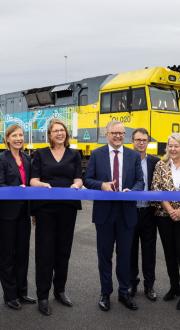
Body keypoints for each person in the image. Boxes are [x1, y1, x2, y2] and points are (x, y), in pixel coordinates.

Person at [84, 120, 144, 312]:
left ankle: (124, 292)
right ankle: (105, 293)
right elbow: (87, 179)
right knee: (105, 256)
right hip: (104, 214)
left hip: (127, 212)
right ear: (106, 133)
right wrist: (102, 185)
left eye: (121, 133)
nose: (118, 136)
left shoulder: (133, 156)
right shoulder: (96, 154)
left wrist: (131, 190)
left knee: (125, 255)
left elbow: (140, 182)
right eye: (114, 133)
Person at [30, 118, 83, 316]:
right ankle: (42, 296)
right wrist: (43, 185)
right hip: (46, 209)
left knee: (63, 251)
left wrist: (76, 185)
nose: (59, 133)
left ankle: (59, 290)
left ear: (66, 133)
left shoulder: (74, 155)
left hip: (67, 209)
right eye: (55, 131)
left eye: (62, 130)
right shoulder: (40, 154)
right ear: (50, 135)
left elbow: (78, 178)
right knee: (44, 253)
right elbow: (33, 180)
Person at [0, 124, 36, 310]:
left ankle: (22, 292)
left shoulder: (27, 159)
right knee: (7, 255)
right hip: (6, 215)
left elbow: (30, 186)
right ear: (7, 139)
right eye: (14, 135)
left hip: (24, 214)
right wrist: (15, 190)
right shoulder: (2, 159)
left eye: (21, 135)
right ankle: (10, 295)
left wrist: (33, 212)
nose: (18, 138)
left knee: (22, 254)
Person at [151, 133, 180, 310]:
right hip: (164, 216)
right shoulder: (161, 165)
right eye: (170, 145)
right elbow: (156, 188)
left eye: (176, 145)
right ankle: (174, 287)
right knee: (169, 253)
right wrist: (170, 210)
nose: (173, 149)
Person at [130, 128, 159, 301]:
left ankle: (150, 286)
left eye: (144, 140)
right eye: (138, 139)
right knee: (130, 250)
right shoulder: (127, 160)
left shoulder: (155, 162)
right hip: (131, 212)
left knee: (149, 251)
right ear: (132, 141)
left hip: (149, 212)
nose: (141, 142)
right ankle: (132, 284)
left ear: (148, 142)